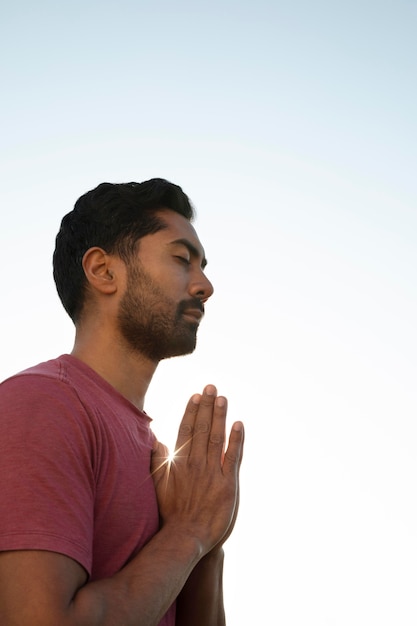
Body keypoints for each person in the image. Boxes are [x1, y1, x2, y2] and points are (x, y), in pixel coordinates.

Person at [0, 179, 244, 626]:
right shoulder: (42, 404)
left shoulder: (155, 453)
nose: (205, 285)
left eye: (203, 266)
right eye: (181, 259)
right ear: (104, 271)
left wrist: (207, 540)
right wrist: (188, 534)